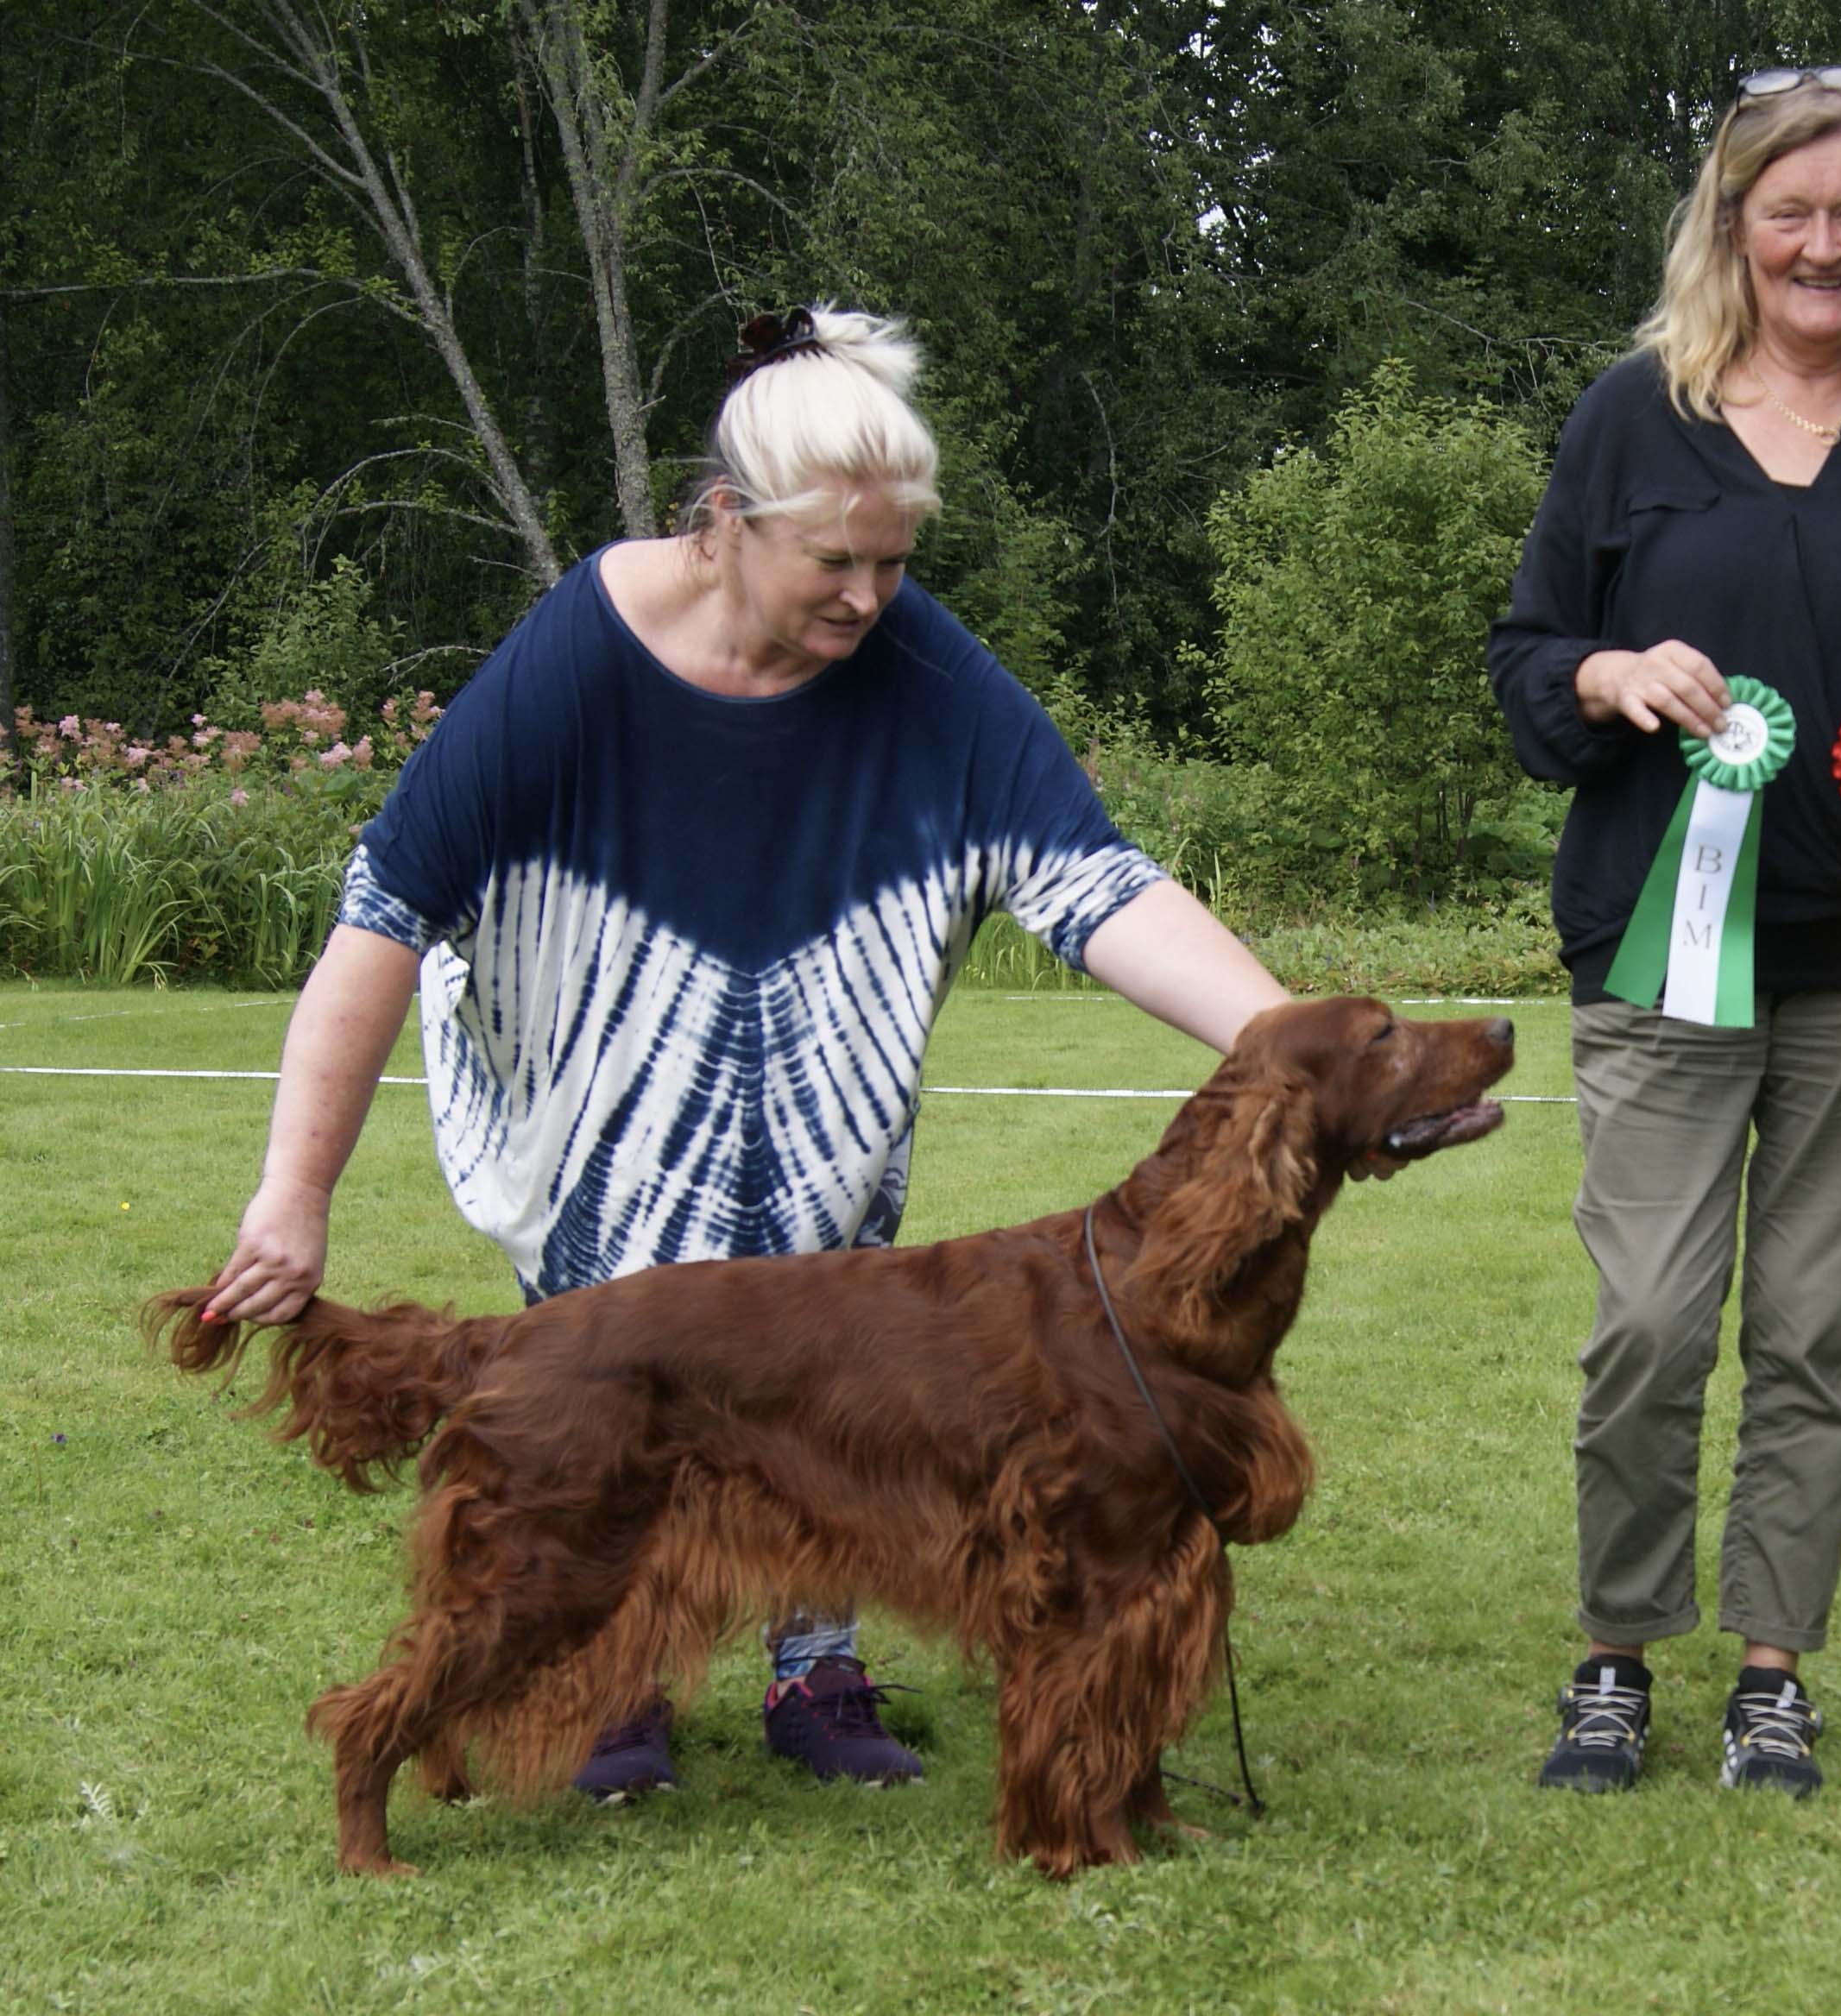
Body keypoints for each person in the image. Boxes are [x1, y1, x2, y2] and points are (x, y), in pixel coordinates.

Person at [200, 305, 1289, 1799]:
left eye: (893, 562)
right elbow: (385, 916)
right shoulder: (579, 656)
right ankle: (610, 1669)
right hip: (598, 1050)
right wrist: (294, 1190)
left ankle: (815, 1662)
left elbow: (1094, 883)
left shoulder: (921, 667)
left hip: (830, 1056)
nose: (868, 597)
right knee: (618, 1341)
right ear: (724, 521)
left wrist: (1285, 1041)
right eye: (833, 561)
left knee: (834, 1351)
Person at [1485, 65, 1841, 1799]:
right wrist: (1604, 671)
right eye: (1789, 213)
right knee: (1650, 1324)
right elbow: (1527, 662)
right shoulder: (1631, 417)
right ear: (1731, 226)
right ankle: (1615, 1652)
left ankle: (1771, 1673)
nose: (1823, 246)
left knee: (1817, 1330)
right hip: (1658, 958)